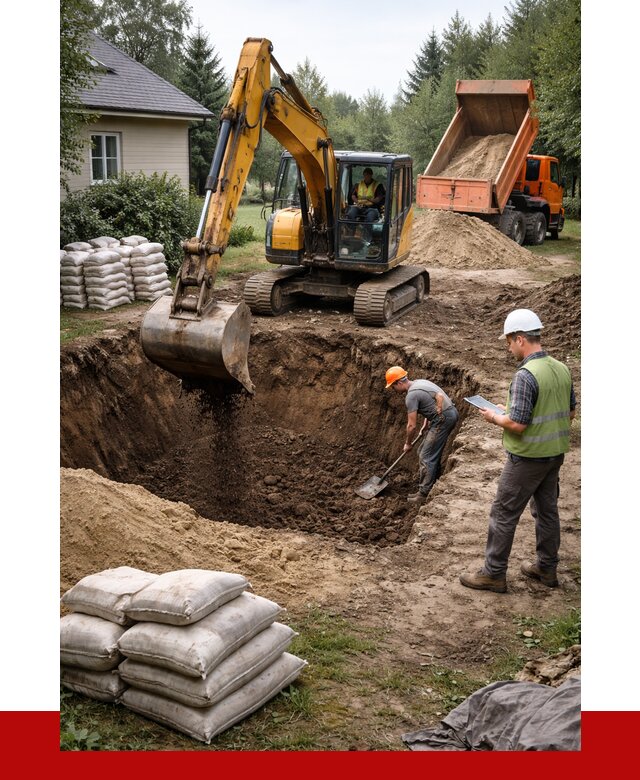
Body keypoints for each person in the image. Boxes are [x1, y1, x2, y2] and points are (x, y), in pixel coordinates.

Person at [459, 308, 576, 594]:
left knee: (503, 514)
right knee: (547, 512)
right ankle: (547, 568)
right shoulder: (560, 368)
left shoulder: (525, 374)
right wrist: (508, 409)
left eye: (509, 342)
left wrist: (495, 417)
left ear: (521, 339)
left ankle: (493, 574)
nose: (508, 347)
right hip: (553, 455)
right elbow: (569, 412)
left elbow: (518, 424)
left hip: (526, 459)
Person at [385, 366, 459, 505]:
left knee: (426, 455)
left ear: (399, 383)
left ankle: (424, 494)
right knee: (424, 451)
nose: (394, 391)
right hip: (447, 414)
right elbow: (432, 401)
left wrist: (408, 443)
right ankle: (431, 486)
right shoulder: (419, 383)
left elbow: (411, 426)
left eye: (393, 387)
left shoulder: (411, 395)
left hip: (443, 419)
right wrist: (426, 422)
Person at [346, 168, 385, 243]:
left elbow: (378, 199)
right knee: (351, 214)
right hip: (359, 207)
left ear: (371, 175)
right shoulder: (359, 185)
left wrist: (368, 199)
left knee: (369, 219)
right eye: (365, 175)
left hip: (372, 208)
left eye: (367, 175)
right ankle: (351, 235)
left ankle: (367, 239)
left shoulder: (377, 185)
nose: (366, 177)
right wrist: (357, 202)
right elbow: (353, 196)